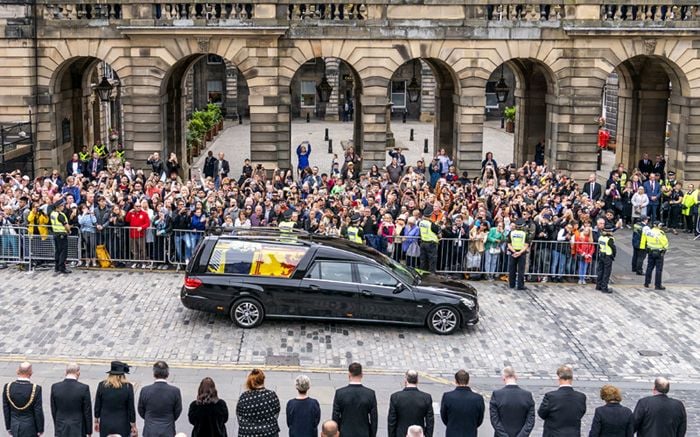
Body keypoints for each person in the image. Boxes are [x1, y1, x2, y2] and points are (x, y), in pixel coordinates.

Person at [537, 365, 586, 436]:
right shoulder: (581, 397)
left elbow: (542, 414)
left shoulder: (550, 396)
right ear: (572, 379)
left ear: (559, 378)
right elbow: (581, 413)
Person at [138, 361, 183, 437]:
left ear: (154, 374)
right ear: (167, 374)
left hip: (150, 430)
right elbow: (178, 410)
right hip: (167, 429)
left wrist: (149, 419)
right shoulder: (175, 391)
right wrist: (170, 419)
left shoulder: (145, 390)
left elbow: (141, 410)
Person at [332, 362, 378, 437]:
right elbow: (374, 419)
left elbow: (335, 417)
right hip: (363, 433)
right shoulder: (370, 394)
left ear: (349, 375)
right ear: (362, 375)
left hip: (344, 433)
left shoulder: (340, 393)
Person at [489, 366, 535, 437]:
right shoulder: (527, 395)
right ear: (516, 377)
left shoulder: (497, 395)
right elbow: (530, 421)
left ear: (503, 377)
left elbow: (495, 420)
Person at [94, 361, 137, 437]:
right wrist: (133, 425)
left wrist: (96, 421)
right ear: (122, 375)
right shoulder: (128, 387)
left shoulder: (102, 385)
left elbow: (97, 406)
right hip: (122, 424)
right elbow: (131, 409)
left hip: (105, 423)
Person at [2, 362, 44, 437]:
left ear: (17, 371)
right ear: (30, 373)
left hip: (14, 425)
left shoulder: (8, 387)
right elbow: (38, 411)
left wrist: (8, 427)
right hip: (30, 427)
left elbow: (6, 409)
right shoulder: (35, 389)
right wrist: (40, 429)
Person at [387, 370, 434, 437]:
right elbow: (430, 422)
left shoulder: (396, 397)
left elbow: (391, 421)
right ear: (417, 381)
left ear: (406, 380)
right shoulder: (426, 398)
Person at [50, 363, 92, 437]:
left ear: (65, 372)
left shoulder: (55, 387)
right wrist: (89, 430)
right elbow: (87, 411)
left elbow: (54, 409)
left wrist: (57, 424)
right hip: (78, 427)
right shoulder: (84, 388)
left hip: (61, 425)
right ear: (78, 373)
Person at [236, 369, 280, 437]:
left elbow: (239, 416)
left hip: (247, 433)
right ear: (263, 379)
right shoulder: (271, 395)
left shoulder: (244, 397)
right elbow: (276, 414)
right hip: (269, 432)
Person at [440, 369, 483, 437]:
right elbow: (479, 419)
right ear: (468, 381)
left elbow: (444, 417)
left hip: (452, 433)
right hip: (470, 433)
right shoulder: (478, 398)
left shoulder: (448, 396)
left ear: (456, 381)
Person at [640, 220, 668, 290]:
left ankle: (647, 282)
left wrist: (643, 248)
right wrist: (665, 249)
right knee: (658, 269)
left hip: (650, 251)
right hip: (659, 253)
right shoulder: (660, 233)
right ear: (658, 225)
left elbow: (643, 240)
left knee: (649, 267)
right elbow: (665, 243)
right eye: (660, 225)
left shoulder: (649, 232)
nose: (661, 226)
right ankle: (657, 285)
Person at [50, 199, 72, 274]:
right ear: (58, 207)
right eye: (62, 205)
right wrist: (69, 231)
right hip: (62, 235)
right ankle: (62, 267)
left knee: (57, 251)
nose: (63, 206)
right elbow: (66, 226)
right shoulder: (60, 215)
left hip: (55, 234)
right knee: (63, 252)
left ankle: (57, 267)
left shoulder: (53, 213)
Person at [507, 219, 529, 291]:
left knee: (512, 269)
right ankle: (520, 285)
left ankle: (511, 284)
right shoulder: (525, 234)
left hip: (513, 252)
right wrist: (519, 253)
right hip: (521, 253)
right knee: (521, 270)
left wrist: (514, 252)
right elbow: (526, 245)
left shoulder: (511, 233)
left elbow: (509, 244)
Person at [417, 207, 440, 273]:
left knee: (423, 261)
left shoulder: (420, 222)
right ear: (431, 214)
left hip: (423, 243)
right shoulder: (431, 224)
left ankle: (422, 275)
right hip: (431, 244)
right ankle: (431, 277)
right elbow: (438, 233)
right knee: (432, 261)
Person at [595, 224, 616, 294]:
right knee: (606, 272)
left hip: (601, 255)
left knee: (600, 271)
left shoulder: (601, 237)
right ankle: (604, 287)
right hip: (607, 256)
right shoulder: (610, 239)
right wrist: (613, 255)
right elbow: (613, 248)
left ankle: (598, 285)